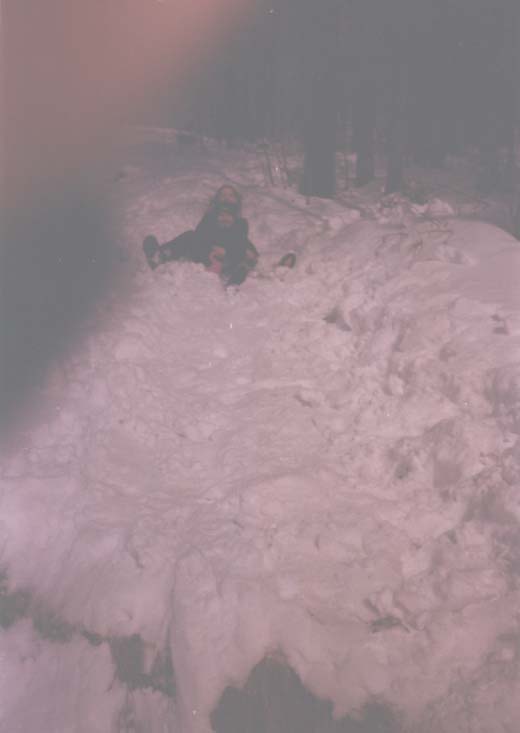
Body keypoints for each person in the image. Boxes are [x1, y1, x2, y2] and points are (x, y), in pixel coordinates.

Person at [143, 185, 259, 286]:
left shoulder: (241, 223)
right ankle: (161, 255)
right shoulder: (209, 218)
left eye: (231, 195)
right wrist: (211, 246)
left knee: (246, 253)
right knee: (190, 235)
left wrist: (227, 252)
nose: (226, 197)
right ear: (217, 201)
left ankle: (235, 280)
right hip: (207, 254)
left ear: (237, 201)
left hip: (227, 259)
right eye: (223, 195)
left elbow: (240, 241)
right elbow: (200, 236)